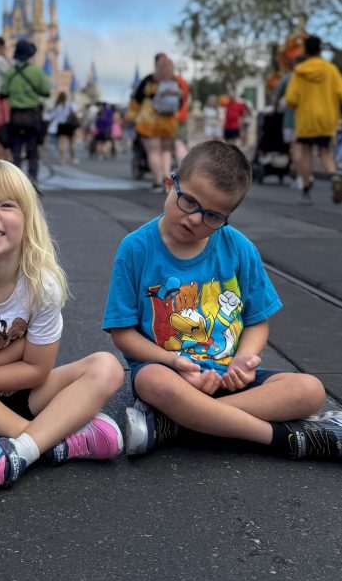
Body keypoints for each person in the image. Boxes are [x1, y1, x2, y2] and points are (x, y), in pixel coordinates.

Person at [102, 140, 342, 463]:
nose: (195, 220)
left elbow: (257, 321)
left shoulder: (239, 249)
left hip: (228, 377)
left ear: (228, 215)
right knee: (150, 380)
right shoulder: (135, 249)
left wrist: (243, 359)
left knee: (311, 389)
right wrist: (173, 362)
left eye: (213, 216)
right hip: (172, 376)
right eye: (188, 202)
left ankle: (174, 426)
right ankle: (282, 439)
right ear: (170, 183)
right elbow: (122, 334)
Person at [0, 160, 124, 502]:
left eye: (6, 204)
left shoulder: (42, 286)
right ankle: (52, 441)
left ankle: (10, 454)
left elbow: (36, 371)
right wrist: (18, 352)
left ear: (28, 221)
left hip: (33, 397)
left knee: (107, 367)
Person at [285, 35, 342, 205]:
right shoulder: (331, 70)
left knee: (306, 152)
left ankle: (306, 190)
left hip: (306, 119)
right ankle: (334, 175)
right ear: (320, 49)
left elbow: (291, 99)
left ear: (306, 50)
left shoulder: (300, 71)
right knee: (324, 151)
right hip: (326, 118)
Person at [0, 40, 51, 188]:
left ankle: (15, 186)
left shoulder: (10, 72)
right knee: (32, 150)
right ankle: (33, 185)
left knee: (16, 151)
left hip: (15, 116)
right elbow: (46, 91)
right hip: (32, 116)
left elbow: (2, 93)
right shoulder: (36, 71)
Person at [127, 54, 181, 190]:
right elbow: (180, 101)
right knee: (166, 151)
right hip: (168, 121)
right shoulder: (174, 81)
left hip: (149, 120)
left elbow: (136, 101)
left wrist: (132, 115)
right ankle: (167, 181)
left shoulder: (148, 80)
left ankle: (157, 181)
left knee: (153, 151)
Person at [45, 91, 79, 165]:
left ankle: (62, 159)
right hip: (70, 126)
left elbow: (50, 116)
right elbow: (76, 113)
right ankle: (73, 158)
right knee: (72, 144)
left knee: (61, 144)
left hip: (61, 126)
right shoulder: (70, 105)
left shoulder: (57, 106)